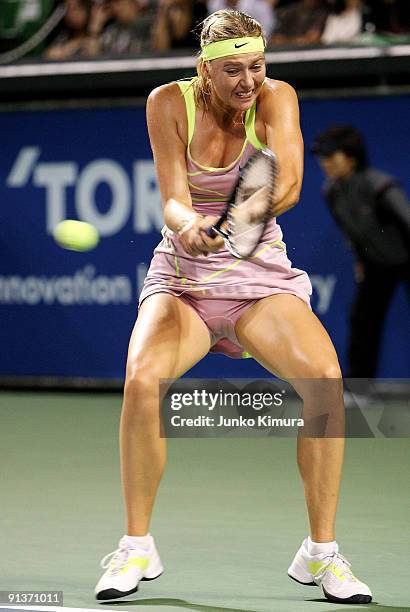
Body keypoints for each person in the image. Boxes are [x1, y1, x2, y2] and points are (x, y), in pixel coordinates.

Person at [94, 9, 372, 605]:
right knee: (143, 380)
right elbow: (171, 197)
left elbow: (290, 183)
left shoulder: (276, 99)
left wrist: (236, 224)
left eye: (256, 65)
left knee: (324, 381)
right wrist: (191, 223)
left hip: (259, 279)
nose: (248, 81)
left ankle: (321, 554)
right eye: (233, 70)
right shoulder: (168, 103)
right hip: (184, 282)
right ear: (204, 69)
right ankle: (136, 545)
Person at [311, 125, 410, 379]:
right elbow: (351, 230)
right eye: (323, 158)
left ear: (351, 157)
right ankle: (360, 386)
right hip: (378, 265)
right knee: (362, 321)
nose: (325, 163)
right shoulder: (331, 192)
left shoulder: (380, 186)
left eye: (331, 156)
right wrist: (361, 259)